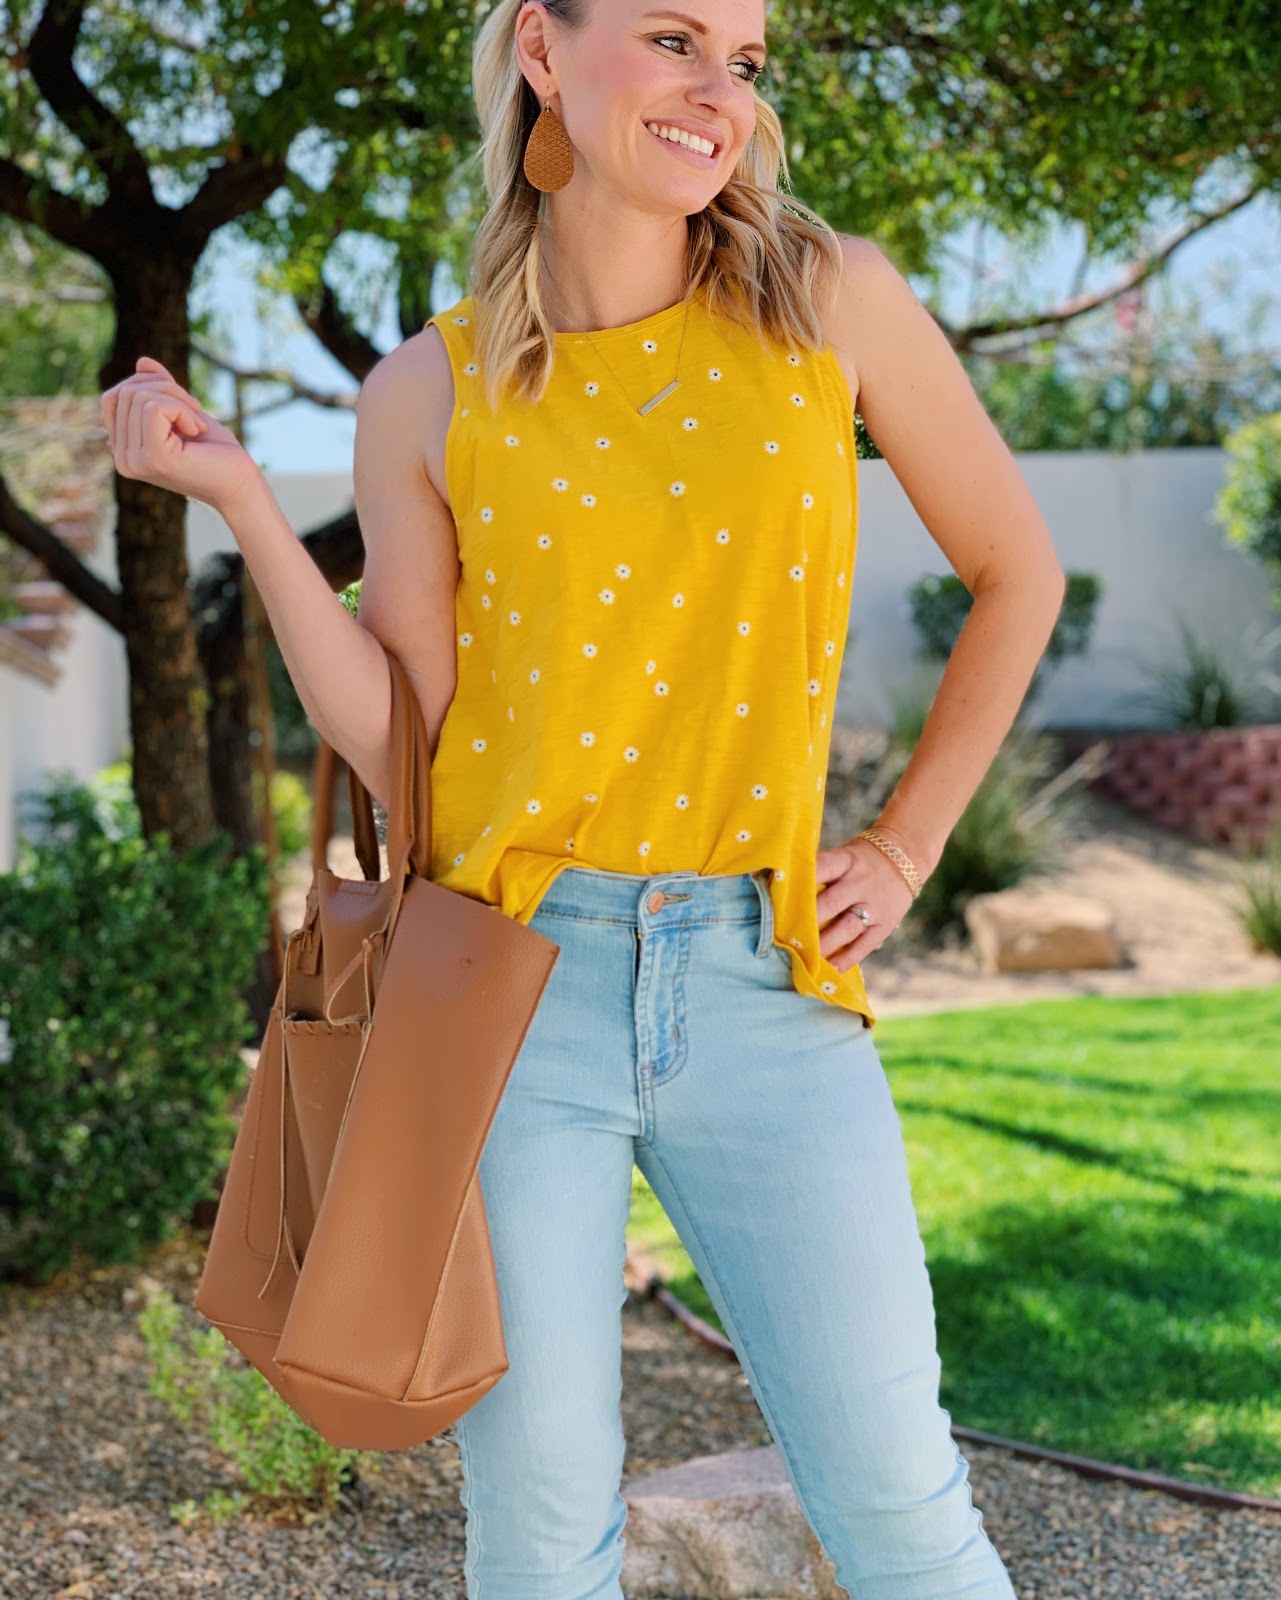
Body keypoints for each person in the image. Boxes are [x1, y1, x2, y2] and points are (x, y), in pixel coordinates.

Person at [101, 2, 1065, 1594]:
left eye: (743, 63)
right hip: (507, 990)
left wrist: (904, 846)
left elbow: (1014, 570)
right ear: (542, 52)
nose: (718, 94)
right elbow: (408, 739)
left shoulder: (830, 302)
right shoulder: (430, 386)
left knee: (898, 1503)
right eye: (674, 38)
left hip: (769, 975)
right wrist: (247, 508)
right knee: (542, 1532)